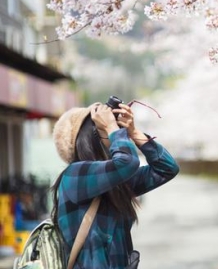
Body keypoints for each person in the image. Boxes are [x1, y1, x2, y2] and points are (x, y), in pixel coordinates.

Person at [51, 101, 180, 268]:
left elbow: (167, 168)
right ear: (89, 138)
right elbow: (127, 162)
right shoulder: (75, 175)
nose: (115, 133)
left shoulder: (114, 182)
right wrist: (113, 127)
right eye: (102, 126)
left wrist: (133, 132)